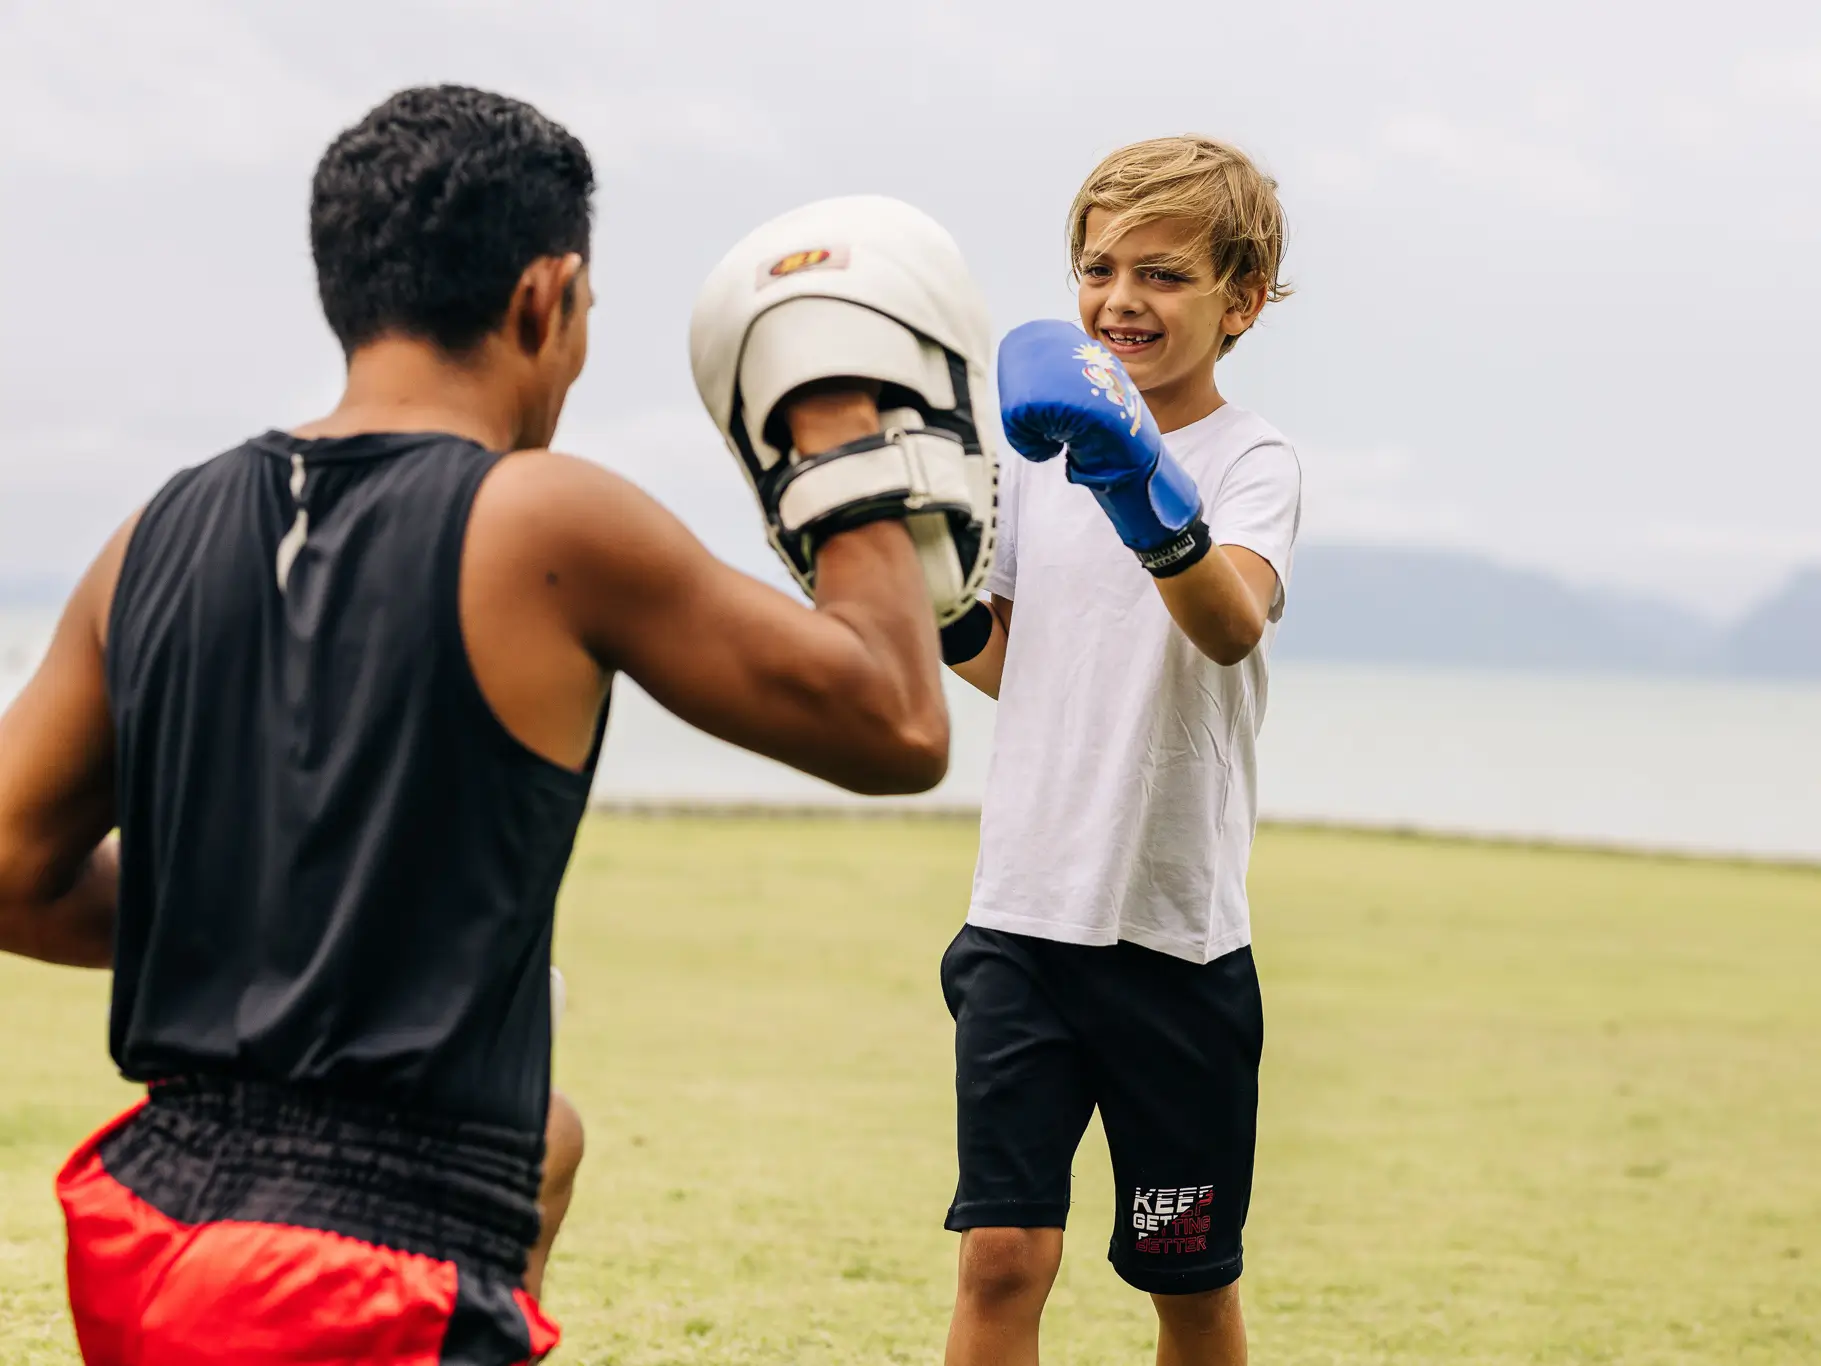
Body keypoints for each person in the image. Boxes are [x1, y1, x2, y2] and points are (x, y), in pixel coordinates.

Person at [0, 85, 995, 1365]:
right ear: (547, 298)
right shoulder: (544, 520)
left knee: (548, 1137)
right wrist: (841, 409)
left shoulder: (155, 531)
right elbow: (895, 719)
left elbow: (15, 874)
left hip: (150, 1228)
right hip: (356, 1278)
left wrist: (346, 936)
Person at [937, 135, 1300, 1366]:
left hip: (1175, 944)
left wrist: (1133, 476)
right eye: (1100, 269)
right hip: (1023, 921)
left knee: (1187, 1283)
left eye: (1165, 273)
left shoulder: (1250, 460)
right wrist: (905, 584)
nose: (1121, 299)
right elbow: (1008, 659)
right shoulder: (1031, 463)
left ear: (1241, 299)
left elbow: (1227, 623)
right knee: (1000, 1255)